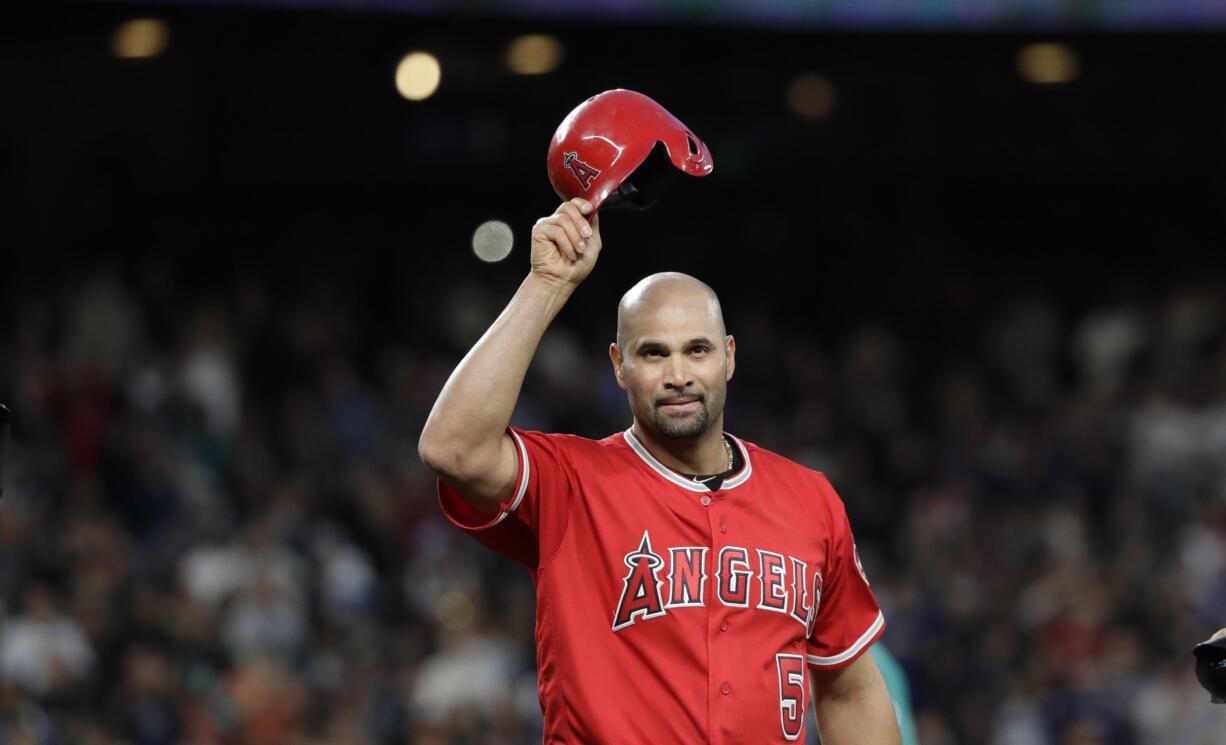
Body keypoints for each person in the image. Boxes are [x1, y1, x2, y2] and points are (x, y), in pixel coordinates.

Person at [419, 198, 901, 744]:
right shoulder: (570, 483)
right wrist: (547, 282)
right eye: (653, 354)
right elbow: (453, 449)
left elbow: (850, 687)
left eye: (697, 350)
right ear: (619, 367)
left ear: (729, 357)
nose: (678, 374)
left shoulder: (809, 499)